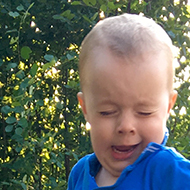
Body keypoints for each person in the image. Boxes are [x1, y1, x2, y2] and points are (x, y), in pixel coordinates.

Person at [67, 13, 190, 189]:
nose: (126, 126)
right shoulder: (80, 174)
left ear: (168, 106)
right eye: (107, 112)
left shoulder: (169, 173)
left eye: (144, 112)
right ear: (85, 108)